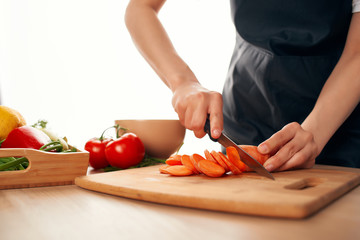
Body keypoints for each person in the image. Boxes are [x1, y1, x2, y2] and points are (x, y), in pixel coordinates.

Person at [125, 0, 360, 171]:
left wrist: (315, 133)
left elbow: (356, 55)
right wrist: (182, 82)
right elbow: (140, 8)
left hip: (339, 128)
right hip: (246, 115)